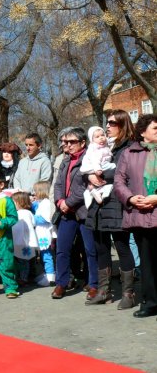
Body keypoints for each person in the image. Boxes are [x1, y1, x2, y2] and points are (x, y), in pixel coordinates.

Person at [85, 110, 136, 308]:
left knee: (122, 247)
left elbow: (124, 173)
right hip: (98, 205)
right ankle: (104, 290)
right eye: (107, 122)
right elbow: (88, 166)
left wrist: (99, 176)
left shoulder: (129, 147)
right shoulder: (102, 145)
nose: (107, 126)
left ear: (123, 124)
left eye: (112, 123)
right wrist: (88, 175)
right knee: (100, 247)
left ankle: (128, 293)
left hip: (116, 202)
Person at [114, 114, 157, 318]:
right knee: (147, 262)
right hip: (141, 214)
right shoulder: (129, 153)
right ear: (142, 132)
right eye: (155, 129)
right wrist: (131, 199)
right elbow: (119, 182)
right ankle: (150, 302)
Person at [51, 127, 98, 301]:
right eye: (66, 142)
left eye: (72, 142)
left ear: (82, 143)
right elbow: (57, 184)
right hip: (66, 213)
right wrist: (59, 201)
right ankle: (61, 283)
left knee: (90, 250)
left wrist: (68, 202)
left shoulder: (89, 159)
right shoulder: (65, 161)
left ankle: (94, 284)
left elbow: (85, 187)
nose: (68, 145)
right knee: (62, 249)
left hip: (84, 211)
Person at [80, 126, 116, 207]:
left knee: (101, 184)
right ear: (92, 140)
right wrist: (97, 169)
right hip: (94, 167)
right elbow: (95, 160)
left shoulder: (103, 145)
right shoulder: (94, 148)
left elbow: (110, 141)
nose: (101, 138)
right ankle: (92, 192)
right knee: (113, 166)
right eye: (97, 137)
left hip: (100, 166)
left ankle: (95, 192)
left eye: (102, 135)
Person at [32, 181, 56, 287]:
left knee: (47, 255)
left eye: (35, 191)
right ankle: (47, 274)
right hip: (41, 232)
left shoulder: (46, 203)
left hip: (45, 233)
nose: (34, 193)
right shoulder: (41, 202)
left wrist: (30, 218)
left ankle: (50, 277)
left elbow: (44, 218)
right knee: (43, 255)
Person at [11, 191, 38, 286]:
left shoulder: (20, 213)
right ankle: (26, 277)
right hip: (27, 241)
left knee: (22, 261)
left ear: (19, 202)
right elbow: (34, 224)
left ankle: (23, 278)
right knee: (27, 260)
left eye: (13, 202)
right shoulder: (29, 213)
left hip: (21, 241)